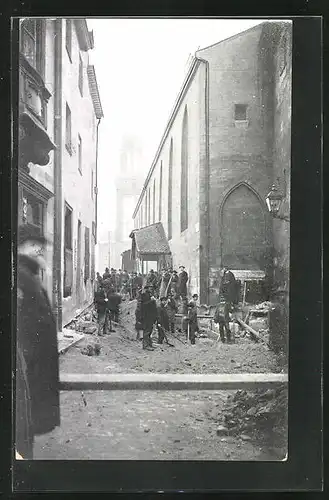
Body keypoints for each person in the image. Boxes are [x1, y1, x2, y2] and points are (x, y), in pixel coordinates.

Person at [16, 224, 60, 459]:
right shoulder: (20, 277)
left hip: (30, 378)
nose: (41, 250)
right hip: (23, 379)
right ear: (20, 246)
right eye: (36, 245)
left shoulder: (28, 275)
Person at [140, 285, 158, 350]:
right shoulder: (144, 295)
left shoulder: (150, 295)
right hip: (146, 316)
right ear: (147, 289)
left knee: (150, 330)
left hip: (151, 316)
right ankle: (145, 345)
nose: (152, 289)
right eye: (150, 288)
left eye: (152, 288)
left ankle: (149, 344)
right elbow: (143, 305)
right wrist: (151, 300)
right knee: (146, 330)